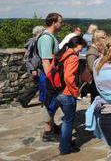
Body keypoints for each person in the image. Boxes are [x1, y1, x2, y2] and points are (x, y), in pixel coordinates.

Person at [51, 36, 87, 155]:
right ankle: (65, 148)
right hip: (67, 93)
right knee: (68, 121)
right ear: (76, 45)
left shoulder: (62, 54)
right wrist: (75, 92)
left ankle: (64, 142)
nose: (81, 50)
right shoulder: (73, 58)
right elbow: (68, 77)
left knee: (66, 119)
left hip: (58, 92)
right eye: (81, 47)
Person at [37, 12, 64, 142]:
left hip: (50, 75)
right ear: (54, 22)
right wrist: (51, 80)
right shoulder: (46, 38)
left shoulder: (49, 36)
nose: (62, 24)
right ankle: (48, 132)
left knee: (52, 101)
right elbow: (46, 61)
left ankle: (51, 126)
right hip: (48, 76)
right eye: (61, 22)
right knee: (48, 102)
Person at [18, 25, 45, 108]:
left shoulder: (35, 41)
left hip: (36, 67)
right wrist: (33, 69)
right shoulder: (33, 42)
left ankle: (25, 99)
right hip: (34, 67)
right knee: (38, 84)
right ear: (39, 33)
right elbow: (27, 57)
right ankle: (24, 99)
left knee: (39, 84)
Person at [85, 30, 107, 103]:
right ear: (98, 39)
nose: (106, 38)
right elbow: (92, 69)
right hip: (95, 84)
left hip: (99, 82)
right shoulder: (92, 52)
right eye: (103, 37)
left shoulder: (98, 50)